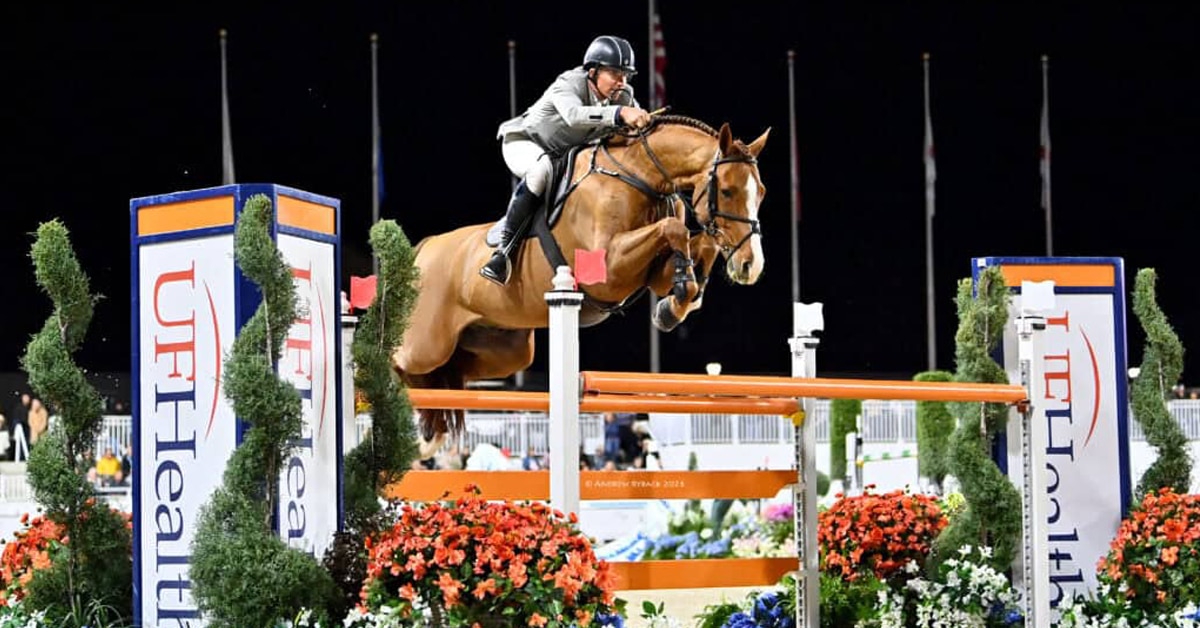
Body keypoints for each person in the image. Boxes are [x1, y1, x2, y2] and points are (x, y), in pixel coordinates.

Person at [481, 35, 653, 286]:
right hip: (527, 142)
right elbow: (574, 116)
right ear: (593, 72)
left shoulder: (622, 95)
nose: (622, 82)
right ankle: (503, 253)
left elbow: (634, 128)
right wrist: (620, 113)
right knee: (541, 170)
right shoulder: (569, 83)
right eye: (615, 73)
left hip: (565, 156)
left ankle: (587, 271)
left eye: (625, 75)